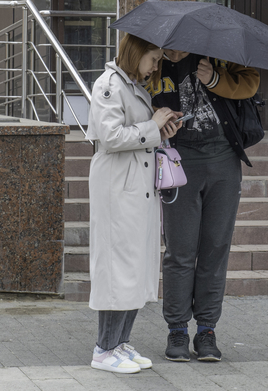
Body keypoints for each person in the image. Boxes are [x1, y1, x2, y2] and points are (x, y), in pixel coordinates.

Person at [148, 51, 259, 363]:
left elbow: (250, 83)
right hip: (178, 163)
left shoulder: (218, 52)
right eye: (171, 46)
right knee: (179, 250)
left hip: (224, 162)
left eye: (181, 46)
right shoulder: (154, 60)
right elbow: (137, 101)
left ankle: (207, 330)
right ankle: (178, 329)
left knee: (215, 248)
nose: (176, 52)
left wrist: (214, 78)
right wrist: (155, 124)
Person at [85, 34, 181, 374]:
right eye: (153, 58)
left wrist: (161, 129)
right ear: (136, 52)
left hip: (135, 188)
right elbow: (110, 137)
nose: (157, 65)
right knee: (117, 269)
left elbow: (137, 132)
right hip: (118, 187)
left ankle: (120, 342)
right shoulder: (109, 85)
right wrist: (152, 125)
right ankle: (104, 349)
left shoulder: (133, 85)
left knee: (134, 268)